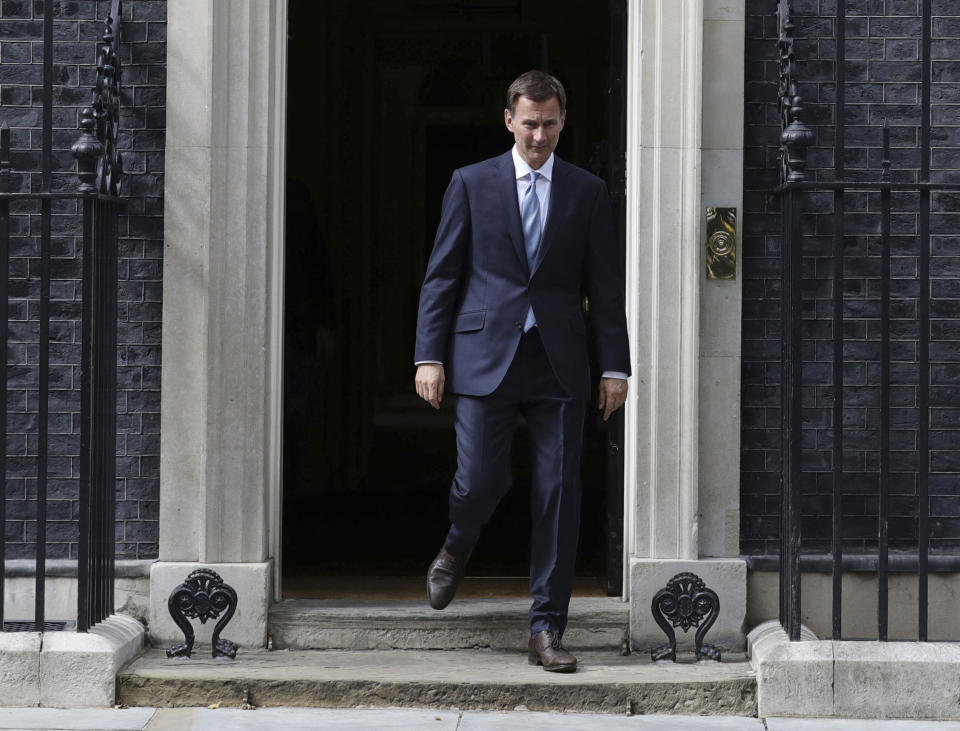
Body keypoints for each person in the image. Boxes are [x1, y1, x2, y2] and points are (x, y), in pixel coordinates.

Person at [413, 70, 630, 673]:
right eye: (529, 123)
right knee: (479, 480)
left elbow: (604, 286)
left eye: (550, 123)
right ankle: (457, 546)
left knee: (558, 496)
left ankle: (546, 630)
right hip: (484, 359)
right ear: (509, 120)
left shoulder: (588, 191)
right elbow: (442, 276)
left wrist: (615, 366)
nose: (539, 135)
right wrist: (428, 355)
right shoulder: (471, 183)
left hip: (559, 363)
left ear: (563, 122)